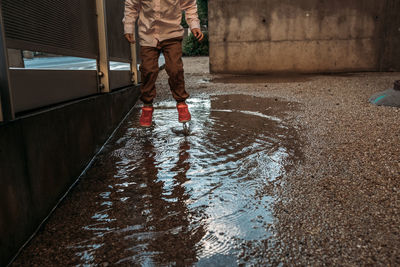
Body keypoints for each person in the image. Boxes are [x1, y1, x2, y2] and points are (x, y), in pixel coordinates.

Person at [123, 0, 204, 127]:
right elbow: (131, 6)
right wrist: (128, 27)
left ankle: (181, 102)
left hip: (172, 33)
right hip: (147, 34)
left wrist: (194, 25)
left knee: (175, 69)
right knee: (148, 70)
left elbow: (189, 5)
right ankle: (147, 105)